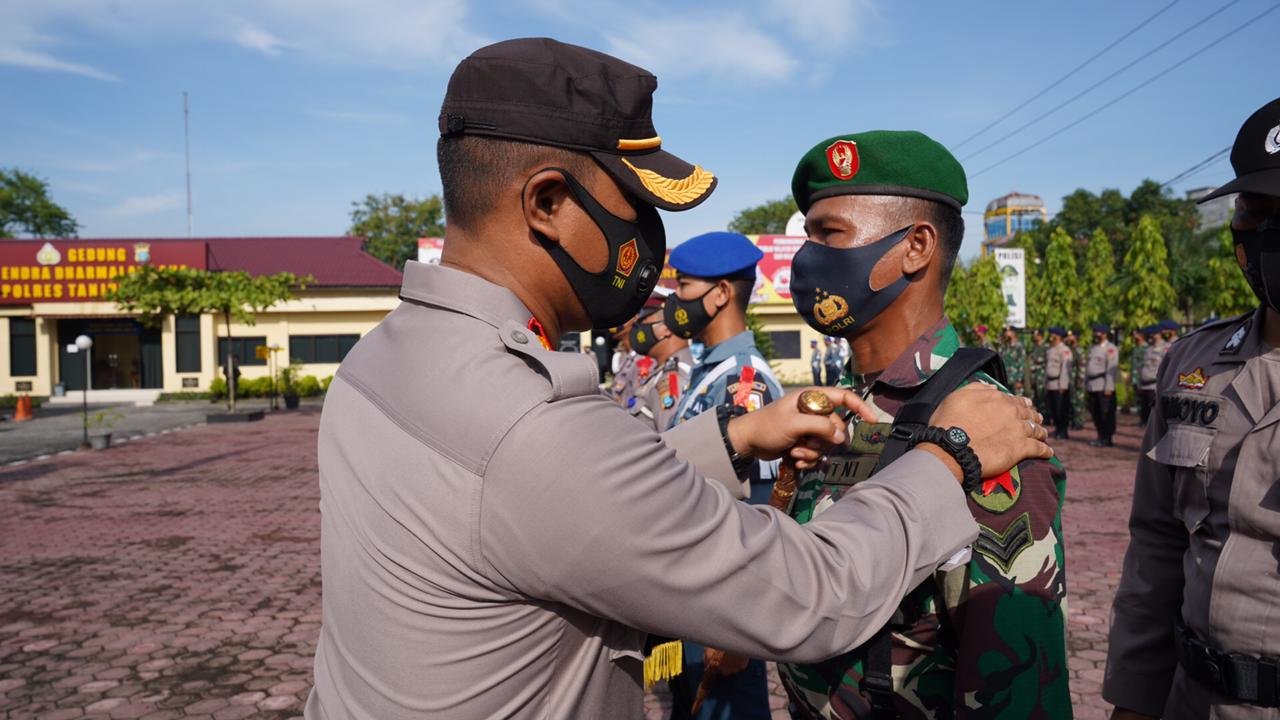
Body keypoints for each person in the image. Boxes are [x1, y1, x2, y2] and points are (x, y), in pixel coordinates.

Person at [306, 37, 1052, 720]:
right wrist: (947, 458)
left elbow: (571, 501)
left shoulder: (379, 363)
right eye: (635, 207)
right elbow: (809, 593)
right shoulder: (530, 425)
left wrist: (735, 438)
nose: (647, 242)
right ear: (548, 203)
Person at [777, 129, 1070, 719]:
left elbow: (1010, 682)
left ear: (915, 247)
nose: (808, 256)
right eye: (808, 234)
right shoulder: (852, 405)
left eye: (829, 234)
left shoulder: (981, 424)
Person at [1105, 96, 1280, 720]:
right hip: (1192, 698)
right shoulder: (1193, 362)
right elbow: (1156, 541)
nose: (1271, 239)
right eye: (1258, 216)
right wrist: (1133, 697)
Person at [662, 230, 783, 719]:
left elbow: (759, 512)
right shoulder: (708, 374)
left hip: (721, 608)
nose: (674, 301)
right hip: (691, 593)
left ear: (719, 294)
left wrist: (742, 626)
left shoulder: (742, 384)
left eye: (684, 287)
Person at [628, 292, 693, 432]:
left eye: (644, 322)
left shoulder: (672, 379)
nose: (638, 329)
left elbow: (672, 440)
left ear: (667, 329)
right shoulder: (661, 372)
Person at [1085, 322, 1120, 447]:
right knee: (1096, 412)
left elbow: (1111, 369)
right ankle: (1100, 436)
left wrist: (1109, 387)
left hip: (1103, 385)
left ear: (1105, 334)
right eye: (1095, 332)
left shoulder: (1110, 348)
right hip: (1093, 385)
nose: (1096, 334)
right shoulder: (1093, 348)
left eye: (1098, 332)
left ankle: (1107, 438)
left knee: (1106, 413)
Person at [1044, 326, 1073, 439]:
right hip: (1051, 384)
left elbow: (1065, 369)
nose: (1050, 336)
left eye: (1052, 334)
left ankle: (1063, 431)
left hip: (1059, 384)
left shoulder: (1064, 350)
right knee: (1054, 409)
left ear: (1058, 336)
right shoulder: (1051, 350)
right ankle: (1057, 429)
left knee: (1061, 409)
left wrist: (1063, 385)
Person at [1137, 324, 1167, 427]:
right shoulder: (1149, 348)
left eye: (1153, 334)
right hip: (1145, 385)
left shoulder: (1166, 348)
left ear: (1159, 334)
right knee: (1145, 415)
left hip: (1154, 386)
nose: (1150, 336)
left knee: (1154, 417)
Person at [1066, 330, 1087, 430]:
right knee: (1072, 401)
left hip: (1077, 379)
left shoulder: (1079, 350)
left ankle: (1079, 422)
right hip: (1070, 379)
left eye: (1071, 336)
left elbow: (1082, 365)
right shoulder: (1070, 349)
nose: (1069, 338)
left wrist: (1080, 379)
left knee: (1078, 401)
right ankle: (1073, 421)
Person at [1000, 325, 1030, 396]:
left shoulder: (1019, 346)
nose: (1006, 333)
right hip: (1006, 380)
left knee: (1017, 402)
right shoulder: (1004, 346)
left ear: (1013, 333)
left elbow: (1022, 364)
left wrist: (1019, 380)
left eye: (1008, 331)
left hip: (1016, 380)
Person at [1128, 327, 1147, 415]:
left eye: (1136, 334)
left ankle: (1145, 418)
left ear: (1142, 335)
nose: (1134, 336)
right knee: (1138, 398)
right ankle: (1141, 417)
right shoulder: (1135, 348)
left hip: (1143, 377)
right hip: (1135, 377)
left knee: (1144, 398)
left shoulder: (1146, 348)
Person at [1030, 327, 1049, 414]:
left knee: (1043, 396)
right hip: (1034, 375)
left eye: (1036, 335)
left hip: (1042, 375)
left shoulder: (1046, 347)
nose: (1034, 337)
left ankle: (1046, 416)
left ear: (1040, 336)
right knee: (1035, 397)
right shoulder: (1033, 347)